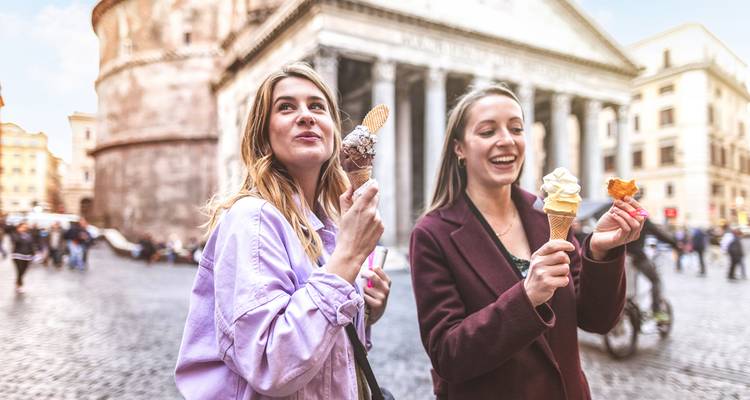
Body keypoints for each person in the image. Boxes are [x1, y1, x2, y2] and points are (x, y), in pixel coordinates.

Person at [409, 84, 645, 399]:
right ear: (459, 148)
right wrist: (526, 297)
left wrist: (600, 251)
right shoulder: (432, 234)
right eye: (487, 131)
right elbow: (447, 354)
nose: (506, 140)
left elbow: (597, 320)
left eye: (516, 128)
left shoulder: (545, 214)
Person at [175, 63, 391, 399]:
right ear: (264, 134)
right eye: (286, 107)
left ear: (334, 132)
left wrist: (365, 309)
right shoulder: (253, 217)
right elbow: (271, 365)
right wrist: (348, 258)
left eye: (317, 106)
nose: (306, 116)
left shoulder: (327, 227)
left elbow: (330, 357)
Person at [11, 222, 38, 293]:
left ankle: (17, 282)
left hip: (27, 256)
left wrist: (34, 254)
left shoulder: (29, 235)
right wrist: (19, 233)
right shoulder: (15, 234)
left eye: (25, 227)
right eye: (22, 227)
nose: (24, 229)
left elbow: (31, 245)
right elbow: (16, 240)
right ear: (18, 227)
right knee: (19, 271)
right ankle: (19, 285)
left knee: (23, 271)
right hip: (17, 256)